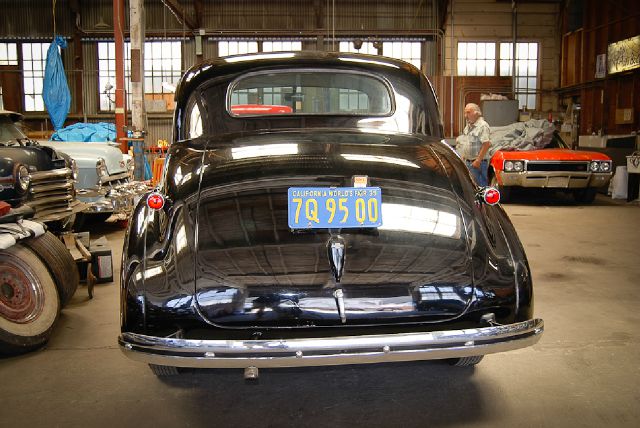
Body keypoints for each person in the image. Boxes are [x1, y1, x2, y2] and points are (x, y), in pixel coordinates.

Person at [455, 103, 492, 186]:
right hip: (469, 162)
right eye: (465, 113)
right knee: (472, 187)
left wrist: (478, 160)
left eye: (468, 112)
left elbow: (486, 144)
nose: (465, 116)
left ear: (476, 113)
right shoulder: (469, 126)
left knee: (480, 187)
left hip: (477, 163)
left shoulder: (482, 126)